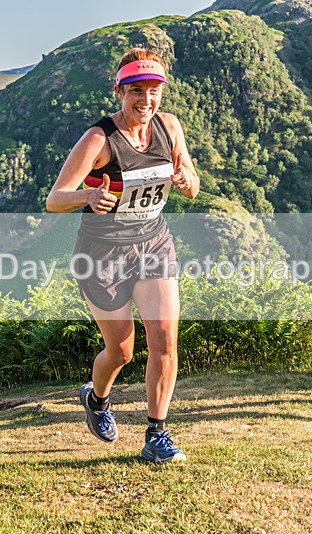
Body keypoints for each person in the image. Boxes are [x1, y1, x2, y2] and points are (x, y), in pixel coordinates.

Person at [46, 48, 199, 462]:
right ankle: (97, 398)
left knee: (164, 340)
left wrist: (186, 179)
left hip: (154, 244)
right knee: (122, 352)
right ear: (119, 91)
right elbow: (55, 199)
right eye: (136, 91)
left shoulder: (169, 127)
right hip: (103, 255)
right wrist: (87, 197)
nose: (146, 100)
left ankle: (157, 435)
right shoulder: (99, 139)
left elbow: (192, 183)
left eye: (154, 91)